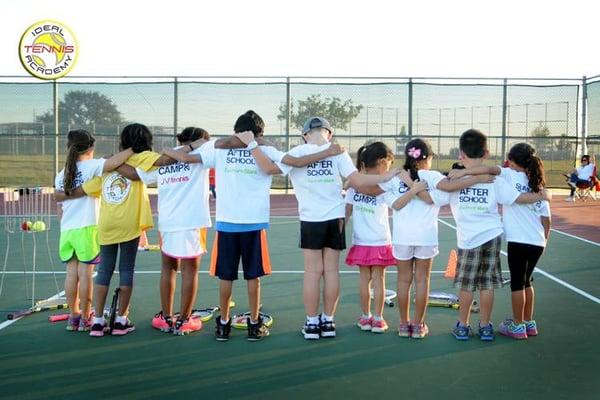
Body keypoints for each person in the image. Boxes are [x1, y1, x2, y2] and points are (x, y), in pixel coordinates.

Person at [166, 111, 343, 342]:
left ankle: (223, 324)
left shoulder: (219, 148)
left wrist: (170, 151)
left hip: (227, 224)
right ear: (259, 133)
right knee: (253, 277)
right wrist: (328, 151)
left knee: (225, 277)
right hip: (253, 223)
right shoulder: (264, 149)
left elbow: (187, 158)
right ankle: (254, 323)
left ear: (236, 130)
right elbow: (296, 162)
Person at [240, 116, 399, 340]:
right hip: (335, 219)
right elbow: (360, 182)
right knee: (331, 272)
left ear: (305, 134)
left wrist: (253, 144)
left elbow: (268, 169)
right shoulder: (337, 152)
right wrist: (390, 175)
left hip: (311, 220)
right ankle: (328, 321)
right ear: (329, 133)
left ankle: (312, 323)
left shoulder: (296, 153)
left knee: (313, 273)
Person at [57, 123, 183, 337]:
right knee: (126, 271)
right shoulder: (141, 158)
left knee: (103, 271)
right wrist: (189, 149)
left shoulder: (106, 165)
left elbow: (82, 190)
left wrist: (62, 194)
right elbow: (165, 161)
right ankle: (120, 320)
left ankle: (96, 321)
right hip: (129, 226)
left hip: (105, 225)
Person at [435, 129, 551, 341]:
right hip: (492, 236)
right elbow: (518, 198)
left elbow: (436, 196)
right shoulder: (496, 180)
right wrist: (541, 195)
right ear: (486, 152)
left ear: (461, 154)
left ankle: (463, 325)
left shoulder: (453, 180)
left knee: (467, 285)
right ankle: (486, 326)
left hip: (469, 240)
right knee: (487, 284)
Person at [54, 129, 133, 331]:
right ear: (91, 147)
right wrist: (134, 148)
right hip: (87, 227)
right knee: (86, 274)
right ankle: (87, 317)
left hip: (67, 230)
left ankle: (74, 317)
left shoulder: (61, 174)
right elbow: (114, 163)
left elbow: (59, 204)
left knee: (71, 274)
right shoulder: (92, 166)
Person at [136, 127, 212, 336]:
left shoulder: (164, 158)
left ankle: (166, 317)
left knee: (168, 268)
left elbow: (142, 175)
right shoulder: (200, 154)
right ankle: (185, 320)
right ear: (199, 140)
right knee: (190, 270)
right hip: (192, 222)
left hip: (168, 221)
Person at [345, 142, 396, 334]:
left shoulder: (354, 184)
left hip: (363, 240)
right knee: (379, 279)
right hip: (379, 240)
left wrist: (341, 227)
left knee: (364, 278)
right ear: (382, 162)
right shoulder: (385, 183)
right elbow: (351, 207)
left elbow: (347, 209)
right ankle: (378, 318)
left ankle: (366, 317)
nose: (390, 168)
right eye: (389, 164)